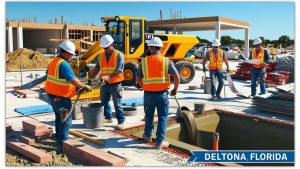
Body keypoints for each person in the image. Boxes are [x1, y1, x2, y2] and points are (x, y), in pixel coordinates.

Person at [45, 40, 93, 150]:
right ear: (66, 52)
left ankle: (59, 139)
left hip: (54, 98)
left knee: (59, 119)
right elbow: (73, 80)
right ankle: (62, 144)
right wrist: (84, 86)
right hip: (62, 99)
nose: (72, 56)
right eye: (71, 54)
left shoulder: (54, 62)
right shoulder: (63, 64)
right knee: (66, 121)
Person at [136, 37, 180, 149]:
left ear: (150, 48)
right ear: (160, 48)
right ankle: (159, 142)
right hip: (162, 95)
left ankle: (147, 136)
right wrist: (175, 89)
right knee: (162, 118)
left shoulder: (144, 61)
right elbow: (176, 77)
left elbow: (137, 78)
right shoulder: (166, 61)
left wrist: (144, 86)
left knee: (149, 116)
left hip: (148, 95)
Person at [89, 35, 125, 130]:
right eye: (104, 48)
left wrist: (108, 76)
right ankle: (108, 117)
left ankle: (121, 121)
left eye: (107, 47)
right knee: (104, 102)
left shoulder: (119, 55)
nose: (105, 49)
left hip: (116, 83)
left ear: (112, 44)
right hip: (104, 84)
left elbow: (119, 69)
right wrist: (91, 77)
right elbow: (97, 67)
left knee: (117, 103)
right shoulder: (101, 55)